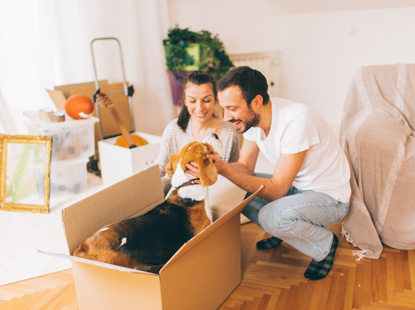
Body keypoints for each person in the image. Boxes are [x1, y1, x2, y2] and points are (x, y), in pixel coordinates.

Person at [186, 66, 351, 280]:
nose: (227, 117)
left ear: (256, 102)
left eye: (232, 108)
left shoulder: (297, 120)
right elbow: (245, 166)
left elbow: (277, 190)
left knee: (272, 216)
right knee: (237, 193)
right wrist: (213, 167)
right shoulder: (253, 120)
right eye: (224, 109)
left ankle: (324, 244)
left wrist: (225, 169)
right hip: (296, 188)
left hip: (329, 198)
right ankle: (285, 232)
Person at [157, 70, 240, 194]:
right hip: (180, 192)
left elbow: (233, 174)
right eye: (192, 101)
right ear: (185, 101)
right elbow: (161, 170)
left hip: (216, 193)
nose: (200, 108)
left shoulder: (229, 133)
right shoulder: (172, 130)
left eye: (206, 100)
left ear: (215, 99)